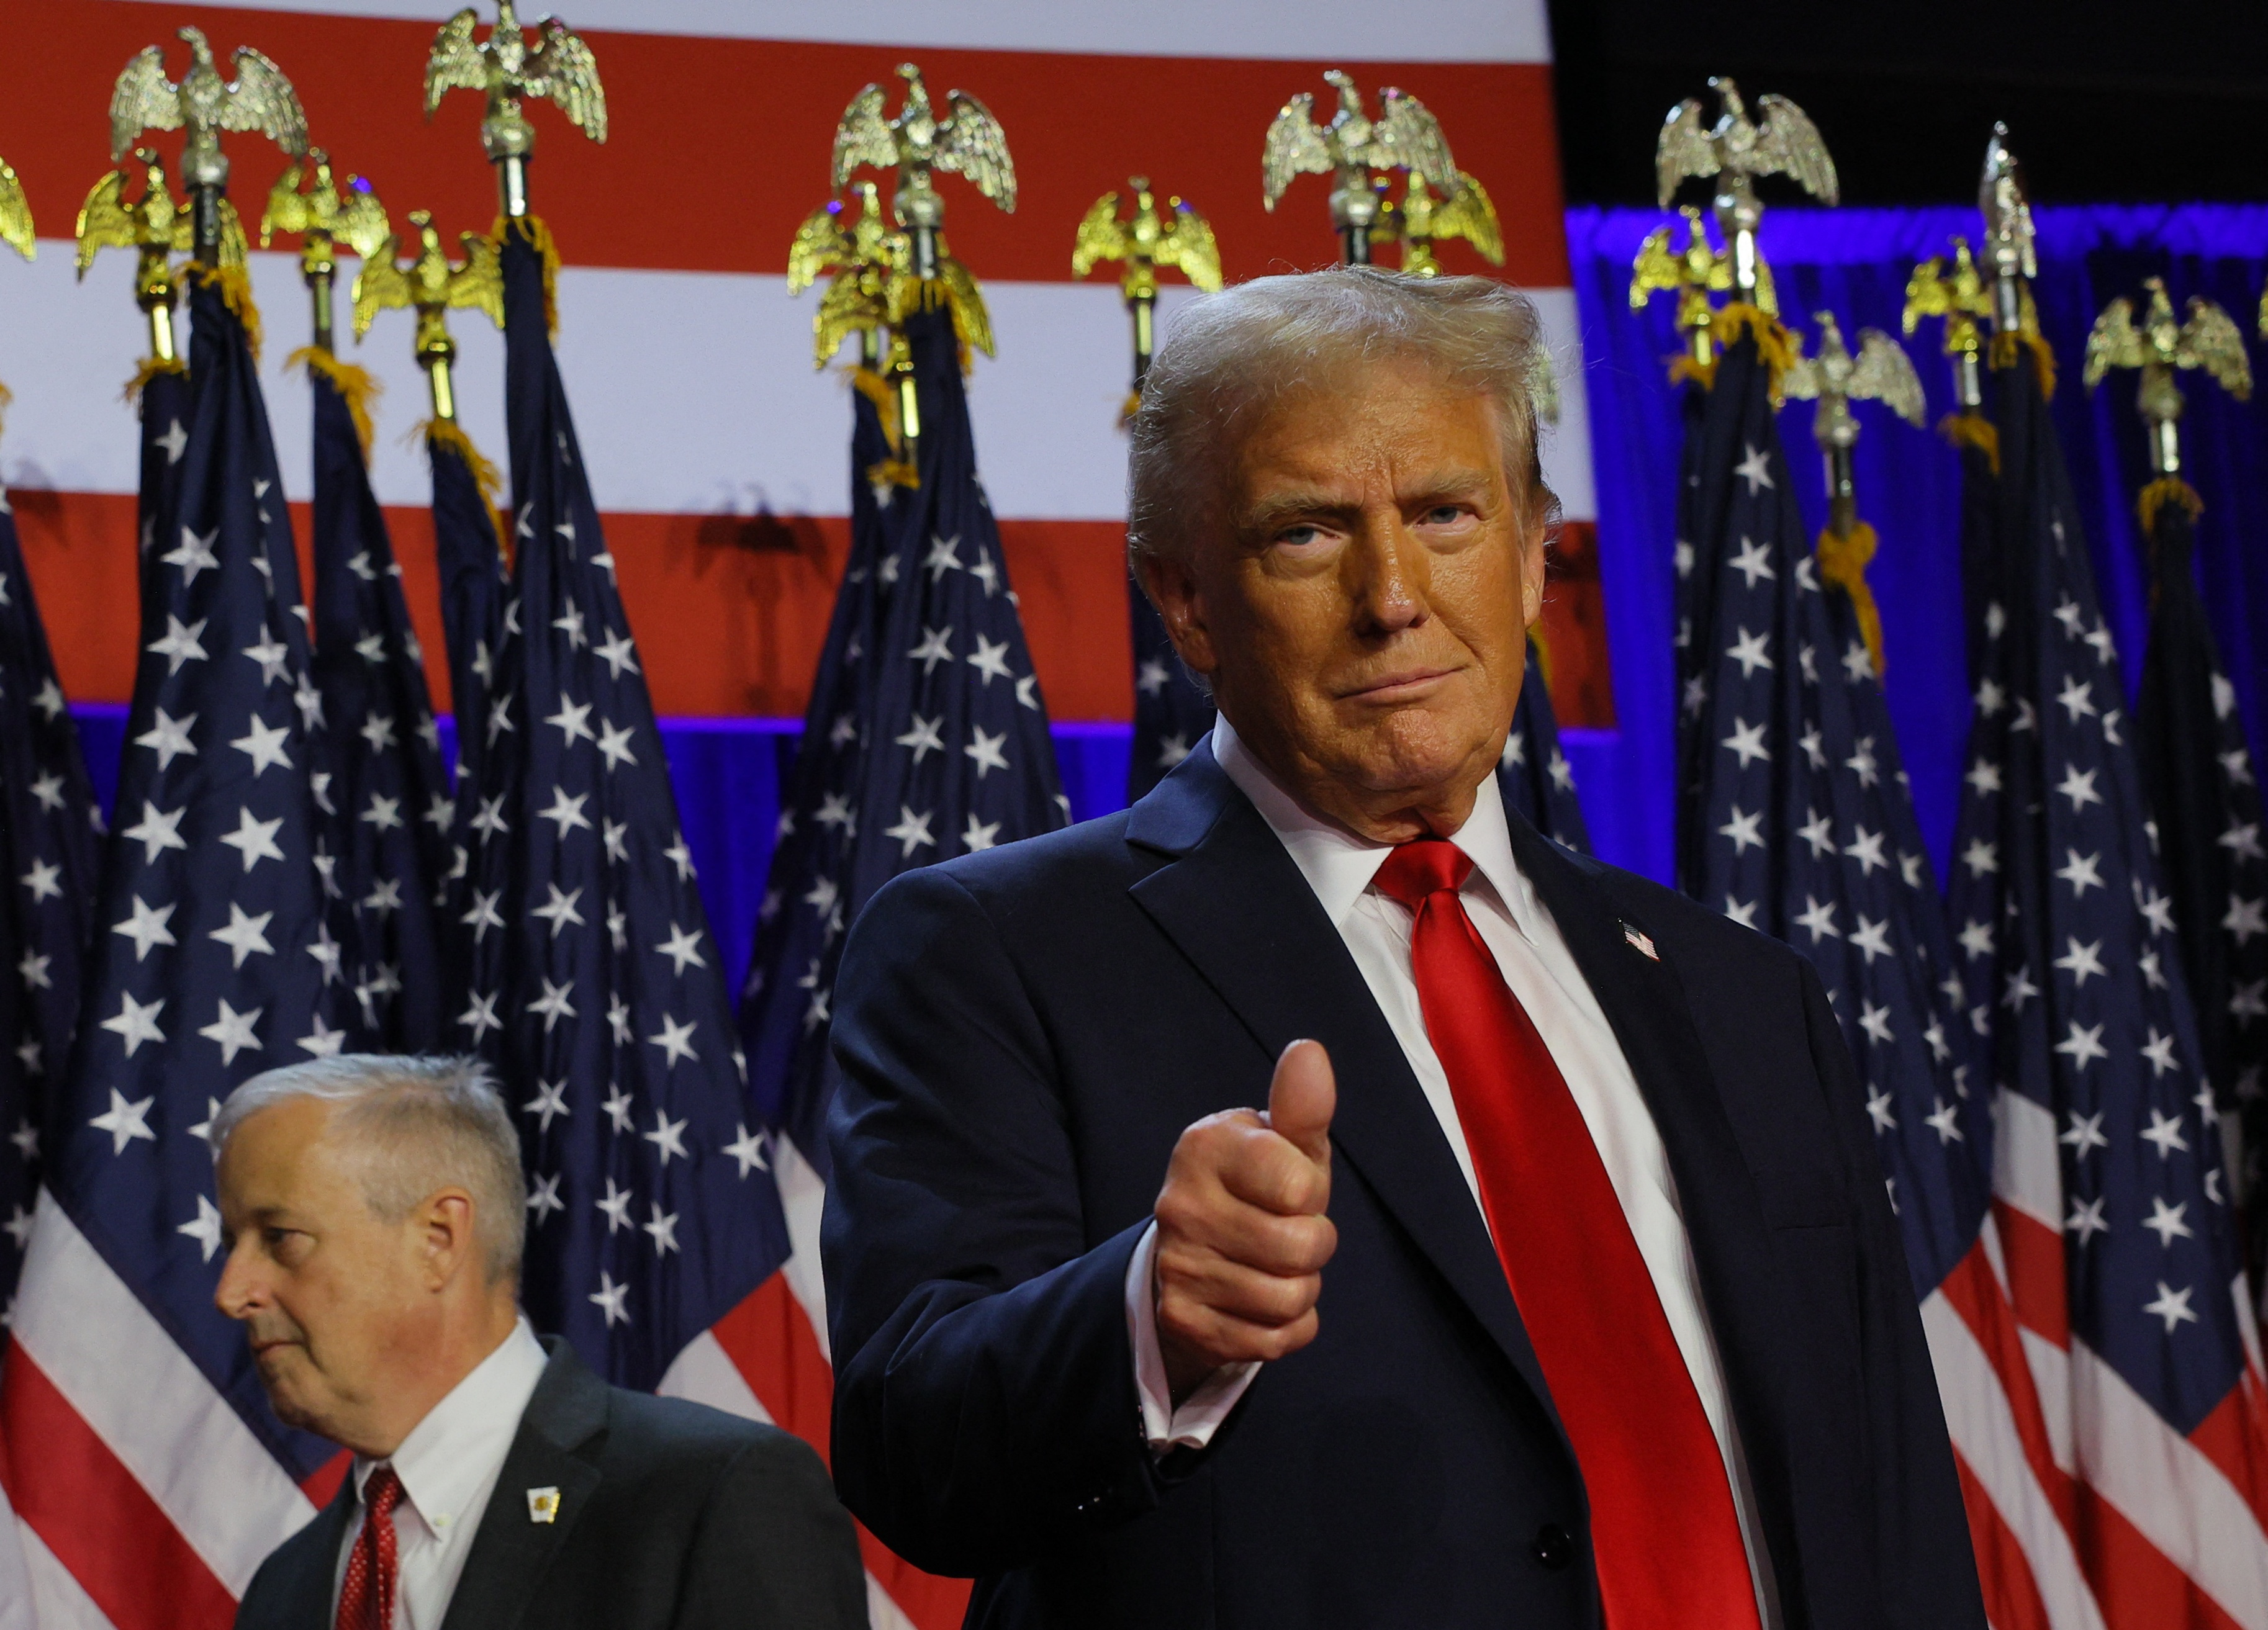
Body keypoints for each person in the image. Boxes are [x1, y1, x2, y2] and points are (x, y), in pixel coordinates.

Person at [823, 268, 1986, 1629]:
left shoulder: (1742, 994)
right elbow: (911, 1441)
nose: (1392, 597)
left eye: (1442, 513)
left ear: (1534, 548)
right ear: (1184, 596)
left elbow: (1888, 1505)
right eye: (1306, 535)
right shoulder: (993, 949)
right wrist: (1149, 1313)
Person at [213, 1054, 868, 1630]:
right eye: (231, 1244)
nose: (232, 1290)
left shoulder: (710, 1498)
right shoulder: (286, 1589)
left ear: (438, 1239)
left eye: (280, 1237)